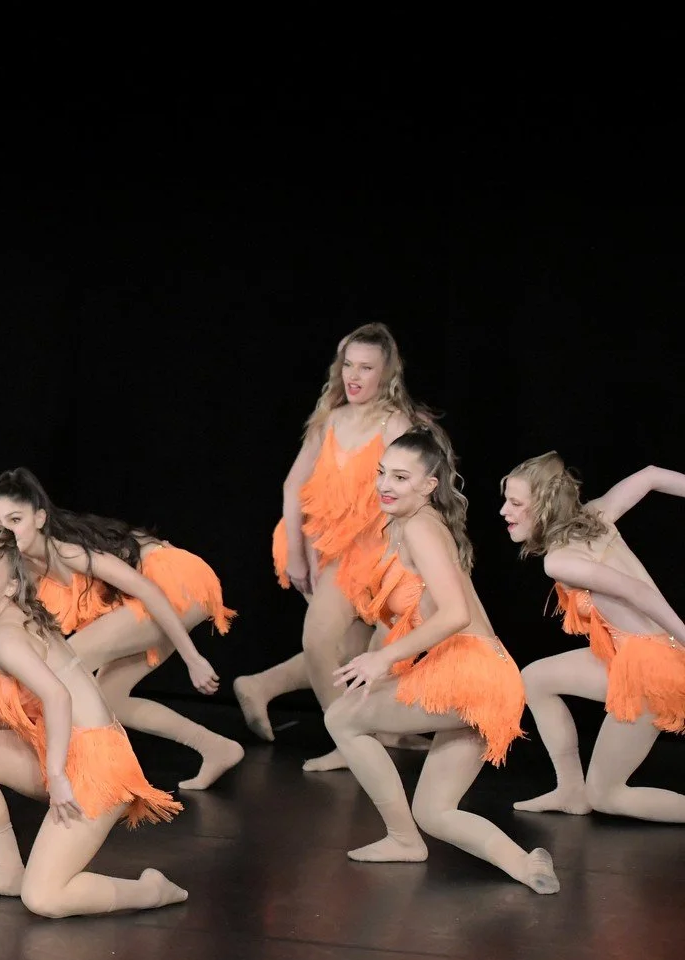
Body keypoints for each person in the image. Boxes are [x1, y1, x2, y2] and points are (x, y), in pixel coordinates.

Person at [326, 430, 556, 892]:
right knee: (434, 811)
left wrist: (383, 658)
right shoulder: (413, 523)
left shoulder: (420, 528)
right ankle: (525, 863)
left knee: (342, 718)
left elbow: (455, 614)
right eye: (382, 473)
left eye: (400, 477)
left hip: (471, 673)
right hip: (488, 676)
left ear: (429, 485)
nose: (385, 485)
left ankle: (401, 839)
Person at [0, 531, 188, 917]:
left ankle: (151, 891)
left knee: (44, 899)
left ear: (12, 586)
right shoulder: (14, 619)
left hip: (94, 768)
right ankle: (7, 871)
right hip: (76, 747)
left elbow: (58, 697)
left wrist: (56, 776)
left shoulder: (3, 636)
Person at [234, 324, 436, 770]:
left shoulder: (393, 423)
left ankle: (373, 727)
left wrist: (410, 556)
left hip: (383, 553)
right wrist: (297, 551)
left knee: (362, 652)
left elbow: (411, 489)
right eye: (349, 365)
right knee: (322, 640)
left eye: (366, 368)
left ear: (386, 373)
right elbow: (293, 486)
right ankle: (350, 737)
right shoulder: (331, 419)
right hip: (332, 551)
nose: (354, 376)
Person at [0, 469, 241, 790]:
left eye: (15, 519)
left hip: (175, 582)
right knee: (109, 698)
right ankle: (216, 748)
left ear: (39, 518)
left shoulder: (64, 550)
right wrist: (3, 701)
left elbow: (147, 590)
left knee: (68, 661)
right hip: (148, 600)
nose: (5, 531)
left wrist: (192, 658)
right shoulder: (23, 571)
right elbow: (10, 637)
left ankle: (83, 773)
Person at [501, 456, 684, 822]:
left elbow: (638, 593)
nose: (504, 511)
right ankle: (570, 790)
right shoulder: (595, 516)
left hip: (650, 670)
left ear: (546, 505)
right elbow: (650, 476)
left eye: (516, 503)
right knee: (535, 678)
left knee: (606, 795)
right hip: (630, 653)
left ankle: (588, 793)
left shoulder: (559, 561)